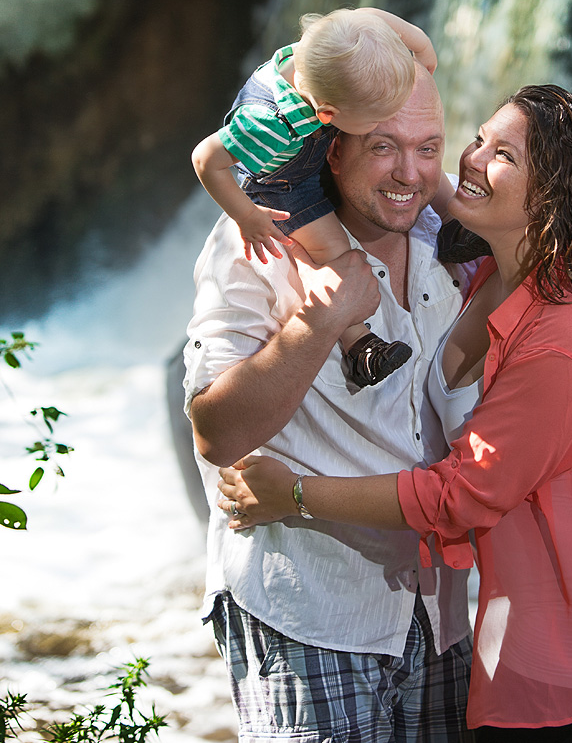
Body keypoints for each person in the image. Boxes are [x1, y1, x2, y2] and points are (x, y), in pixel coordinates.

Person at [217, 84, 572, 742]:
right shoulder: (490, 262)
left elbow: (464, 495)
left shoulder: (561, 335)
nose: (471, 160)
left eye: (501, 153)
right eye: (477, 138)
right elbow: (368, 170)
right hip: (568, 593)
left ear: (552, 198)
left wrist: (295, 495)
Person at [184, 65, 476, 743]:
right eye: (382, 146)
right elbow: (216, 433)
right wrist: (317, 322)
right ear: (331, 146)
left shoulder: (449, 232)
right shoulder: (256, 241)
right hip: (308, 607)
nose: (409, 173)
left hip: (442, 610)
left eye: (427, 147)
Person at [192, 6, 452, 387]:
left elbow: (383, 28)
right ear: (328, 116)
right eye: (376, 128)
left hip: (313, 141)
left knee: (419, 164)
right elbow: (205, 160)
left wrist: (416, 48)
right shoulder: (267, 128)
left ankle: (457, 227)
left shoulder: (336, 48)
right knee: (335, 253)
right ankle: (361, 346)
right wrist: (246, 216)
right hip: (283, 183)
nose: (389, 121)